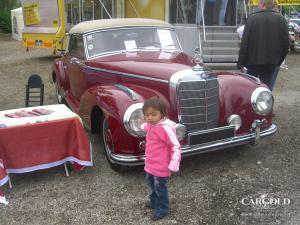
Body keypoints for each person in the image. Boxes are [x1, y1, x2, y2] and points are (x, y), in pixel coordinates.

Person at [141, 97, 181, 221]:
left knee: (160, 188)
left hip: (161, 166)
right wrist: (142, 124)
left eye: (153, 114)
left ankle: (163, 209)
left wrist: (174, 164)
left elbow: (176, 146)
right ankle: (153, 202)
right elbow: (146, 127)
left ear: (162, 114)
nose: (150, 117)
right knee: (151, 185)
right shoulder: (151, 125)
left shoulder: (165, 128)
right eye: (147, 115)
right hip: (150, 164)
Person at [237, 0, 289, 90]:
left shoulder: (252, 18)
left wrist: (241, 62)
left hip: (252, 61)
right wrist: (279, 60)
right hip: (271, 61)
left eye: (259, 4)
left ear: (262, 4)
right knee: (266, 87)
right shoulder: (281, 19)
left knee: (251, 87)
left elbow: (245, 42)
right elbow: (285, 43)